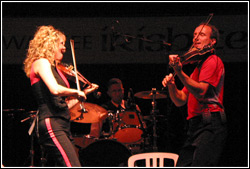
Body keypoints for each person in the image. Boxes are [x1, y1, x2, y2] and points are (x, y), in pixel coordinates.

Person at [23, 25, 98, 167]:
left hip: (62, 123)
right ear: (50, 43)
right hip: (51, 122)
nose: (64, 48)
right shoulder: (41, 62)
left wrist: (85, 92)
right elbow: (55, 90)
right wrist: (76, 91)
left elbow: (63, 104)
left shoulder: (55, 69)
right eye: (61, 43)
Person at [162, 23, 227, 166]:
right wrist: (172, 86)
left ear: (212, 41)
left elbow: (202, 91)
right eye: (195, 35)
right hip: (196, 126)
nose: (196, 38)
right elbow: (180, 100)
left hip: (210, 124)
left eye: (202, 35)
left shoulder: (213, 61)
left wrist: (179, 72)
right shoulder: (197, 68)